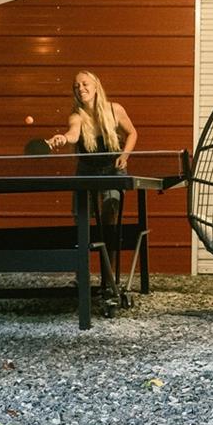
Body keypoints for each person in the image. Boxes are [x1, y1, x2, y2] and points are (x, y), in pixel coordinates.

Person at [46, 71, 138, 300]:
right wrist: (62, 138)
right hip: (86, 172)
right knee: (82, 222)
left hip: (113, 170)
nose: (81, 89)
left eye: (85, 84)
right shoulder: (76, 115)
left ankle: (109, 278)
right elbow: (73, 133)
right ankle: (82, 277)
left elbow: (132, 133)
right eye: (76, 86)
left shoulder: (115, 110)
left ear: (96, 86)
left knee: (110, 218)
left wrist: (125, 156)